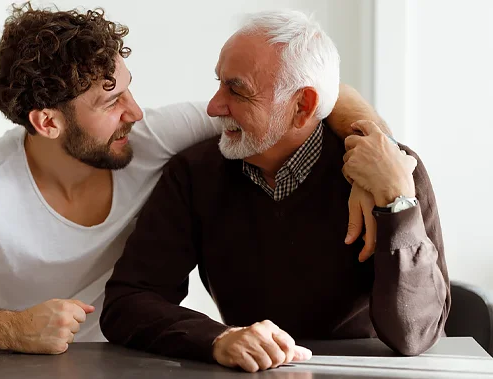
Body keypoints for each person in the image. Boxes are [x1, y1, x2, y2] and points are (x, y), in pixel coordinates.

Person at [0, 4, 386, 354]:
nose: (136, 111)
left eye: (127, 86)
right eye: (110, 98)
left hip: (138, 358)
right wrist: (9, 331)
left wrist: (370, 155)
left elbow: (313, 96)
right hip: (16, 368)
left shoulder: (152, 137)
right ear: (48, 122)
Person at [100, 10, 450, 372]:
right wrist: (217, 339)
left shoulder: (393, 172)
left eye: (236, 89)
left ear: (303, 106)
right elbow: (129, 300)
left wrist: (397, 204)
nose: (213, 106)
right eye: (219, 83)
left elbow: (415, 335)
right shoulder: (194, 174)